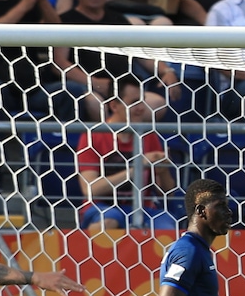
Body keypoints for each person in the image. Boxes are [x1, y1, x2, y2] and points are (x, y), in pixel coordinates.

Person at [74, 79, 174, 229]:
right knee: (108, 222)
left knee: (167, 227)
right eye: (134, 102)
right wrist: (138, 168)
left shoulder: (148, 135)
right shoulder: (94, 135)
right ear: (114, 106)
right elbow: (90, 189)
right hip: (102, 208)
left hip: (143, 208)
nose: (141, 108)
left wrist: (163, 171)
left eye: (142, 101)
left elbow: (167, 194)